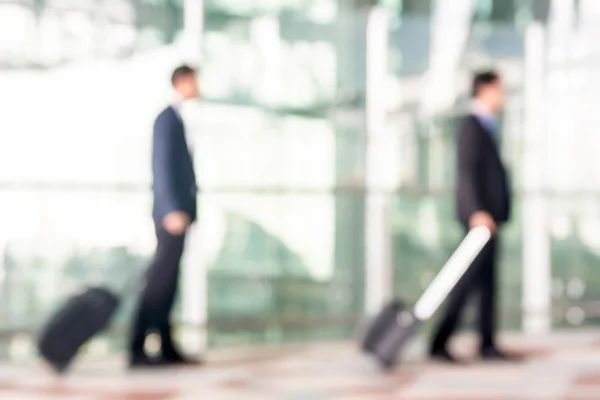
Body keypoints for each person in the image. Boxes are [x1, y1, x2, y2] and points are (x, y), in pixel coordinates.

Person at [429, 70, 513, 363]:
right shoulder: (471, 125)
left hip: (490, 218)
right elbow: (466, 173)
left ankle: (487, 343)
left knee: (488, 283)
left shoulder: (488, 126)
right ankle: (439, 342)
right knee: (466, 280)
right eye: (499, 90)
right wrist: (476, 210)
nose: (503, 97)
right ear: (485, 90)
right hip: (479, 219)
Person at [129, 65, 200, 368]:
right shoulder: (166, 119)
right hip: (170, 214)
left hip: (179, 213)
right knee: (159, 282)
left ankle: (166, 347)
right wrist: (172, 208)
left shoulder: (177, 118)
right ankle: (137, 349)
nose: (198, 86)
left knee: (169, 282)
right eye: (195, 81)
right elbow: (162, 167)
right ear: (182, 82)